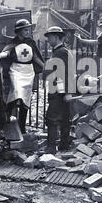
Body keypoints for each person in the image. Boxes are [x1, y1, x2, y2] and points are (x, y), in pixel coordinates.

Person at [0, 19, 44, 134]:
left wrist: (45, 66)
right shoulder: (12, 43)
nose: (28, 32)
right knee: (16, 95)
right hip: (16, 70)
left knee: (25, 100)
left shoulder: (31, 43)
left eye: (28, 29)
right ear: (19, 31)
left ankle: (22, 127)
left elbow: (35, 57)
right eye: (25, 30)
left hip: (28, 72)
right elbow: (7, 53)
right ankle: (6, 123)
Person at [43, 26, 73, 154]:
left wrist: (67, 92)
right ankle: (63, 146)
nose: (48, 40)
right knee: (64, 118)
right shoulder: (60, 51)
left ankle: (51, 148)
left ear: (56, 37)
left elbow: (67, 73)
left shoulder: (61, 52)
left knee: (52, 118)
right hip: (59, 90)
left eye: (49, 37)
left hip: (59, 91)